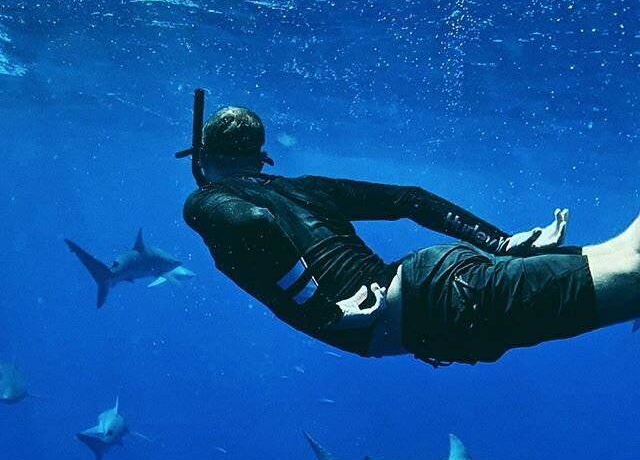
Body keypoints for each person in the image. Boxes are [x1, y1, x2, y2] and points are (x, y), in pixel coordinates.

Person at [182, 105, 637, 367]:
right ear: (263, 158)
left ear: (202, 155)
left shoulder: (205, 202)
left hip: (441, 304)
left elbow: (253, 224)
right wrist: (499, 243)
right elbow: (409, 199)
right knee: (624, 255)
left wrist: (327, 312)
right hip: (438, 288)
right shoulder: (305, 188)